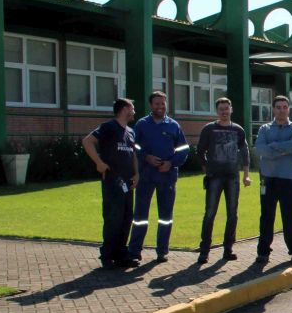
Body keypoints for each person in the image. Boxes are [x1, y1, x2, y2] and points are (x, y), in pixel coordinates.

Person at [127, 91, 189, 264]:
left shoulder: (173, 125)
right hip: (145, 176)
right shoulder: (141, 125)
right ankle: (134, 251)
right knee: (140, 216)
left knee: (165, 216)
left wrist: (171, 163)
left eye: (163, 103)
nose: (160, 107)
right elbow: (134, 146)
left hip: (167, 177)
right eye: (157, 104)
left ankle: (162, 251)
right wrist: (146, 157)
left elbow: (184, 149)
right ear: (150, 105)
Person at [82, 98, 139, 270]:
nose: (134, 110)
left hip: (128, 181)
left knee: (126, 217)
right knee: (113, 218)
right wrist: (99, 163)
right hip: (113, 180)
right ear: (125, 108)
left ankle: (122, 254)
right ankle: (107, 255)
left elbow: (133, 153)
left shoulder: (130, 131)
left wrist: (137, 174)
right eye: (132, 107)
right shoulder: (108, 127)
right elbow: (87, 141)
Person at [196, 96, 251, 264]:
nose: (224, 112)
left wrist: (246, 174)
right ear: (217, 111)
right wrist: (207, 169)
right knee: (210, 213)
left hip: (232, 177)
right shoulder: (209, 129)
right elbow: (200, 151)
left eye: (226, 109)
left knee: (232, 214)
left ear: (231, 110)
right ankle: (204, 250)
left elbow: (245, 152)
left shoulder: (238, 130)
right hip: (214, 178)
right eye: (221, 109)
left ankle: (228, 249)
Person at [255, 95, 292, 267]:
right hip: (267, 179)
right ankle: (263, 252)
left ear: (288, 109)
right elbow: (260, 149)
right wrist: (282, 149)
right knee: (266, 216)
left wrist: (273, 147)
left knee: (291, 215)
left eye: (285, 107)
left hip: (289, 178)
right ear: (273, 109)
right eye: (278, 107)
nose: (281, 110)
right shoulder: (264, 129)